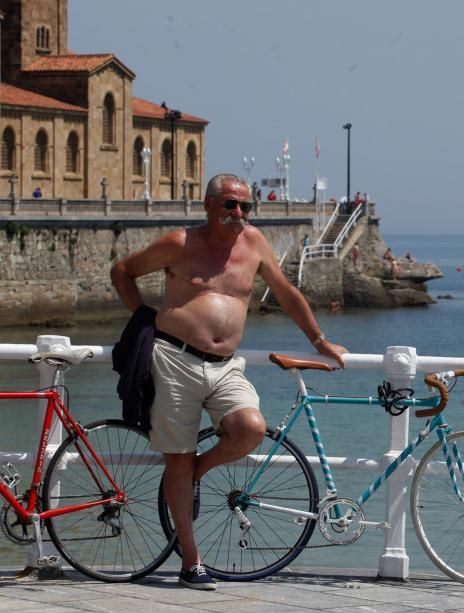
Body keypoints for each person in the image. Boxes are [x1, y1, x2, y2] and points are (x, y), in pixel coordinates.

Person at [110, 173, 347, 591]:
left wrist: (320, 340)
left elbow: (287, 292)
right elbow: (123, 271)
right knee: (177, 457)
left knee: (250, 428)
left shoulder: (254, 243)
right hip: (174, 361)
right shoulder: (179, 243)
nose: (238, 212)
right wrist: (143, 317)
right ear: (208, 205)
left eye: (245, 206)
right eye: (230, 204)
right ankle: (191, 560)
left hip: (225, 366)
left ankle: (191, 477)